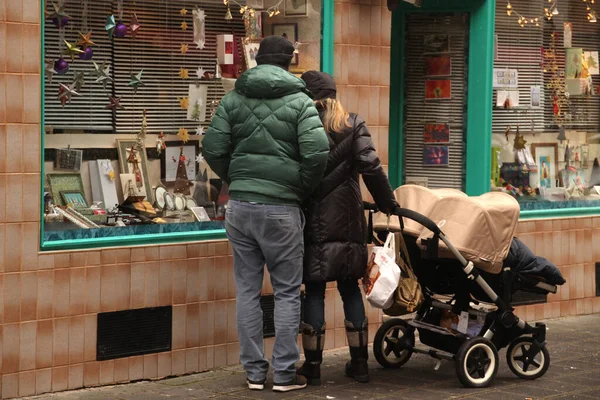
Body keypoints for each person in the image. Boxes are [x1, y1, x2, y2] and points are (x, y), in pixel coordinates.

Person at [203, 36, 330, 393]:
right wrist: (298, 188)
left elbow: (212, 147)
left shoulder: (233, 99)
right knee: (288, 292)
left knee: (247, 290)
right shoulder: (301, 102)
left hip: (240, 207)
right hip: (281, 209)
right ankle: (285, 375)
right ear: (289, 63)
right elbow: (317, 153)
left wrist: (236, 179)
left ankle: (255, 374)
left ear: (258, 61)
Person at [297, 71, 398, 385]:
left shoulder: (299, 127)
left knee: (313, 291)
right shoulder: (352, 124)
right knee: (349, 287)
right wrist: (387, 203)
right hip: (348, 219)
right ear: (333, 95)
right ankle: (360, 365)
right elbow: (371, 166)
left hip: (311, 219)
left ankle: (312, 366)